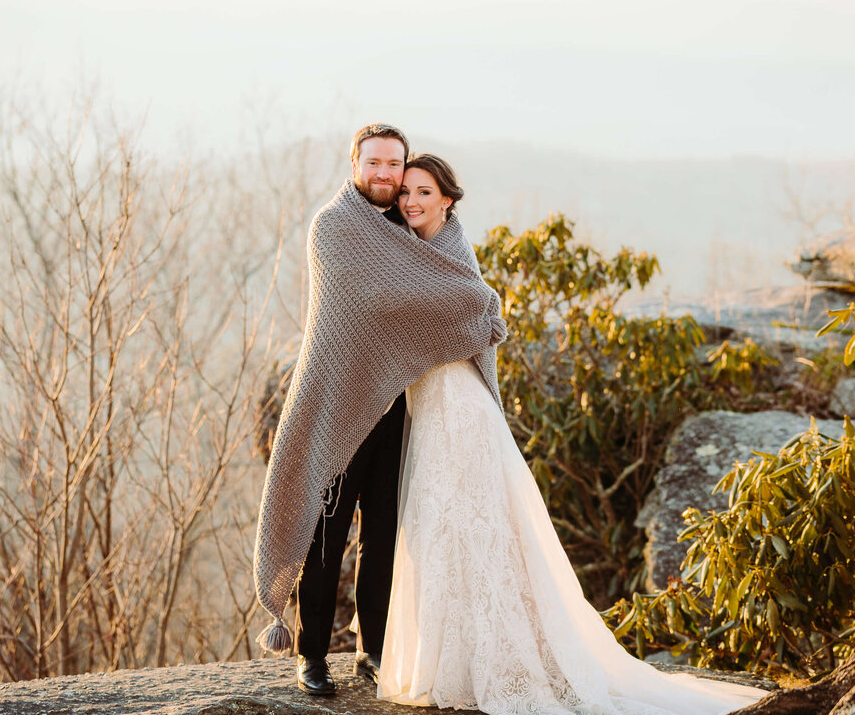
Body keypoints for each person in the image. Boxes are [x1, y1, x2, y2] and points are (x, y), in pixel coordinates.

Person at [377, 154, 769, 715]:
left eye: (424, 192)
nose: (412, 201)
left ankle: (500, 661)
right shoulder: (412, 250)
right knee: (445, 533)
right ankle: (453, 662)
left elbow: (477, 316)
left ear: (447, 200)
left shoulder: (450, 251)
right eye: (406, 194)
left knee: (476, 533)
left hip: (459, 410)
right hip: (433, 410)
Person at [251, 125, 509, 697]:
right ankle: (311, 654)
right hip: (341, 402)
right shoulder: (335, 227)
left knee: (387, 533)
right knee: (326, 534)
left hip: (400, 407)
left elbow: (451, 291)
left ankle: (372, 648)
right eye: (375, 163)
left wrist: (472, 303)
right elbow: (379, 303)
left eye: (394, 164)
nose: (386, 175)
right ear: (354, 165)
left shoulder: (409, 226)